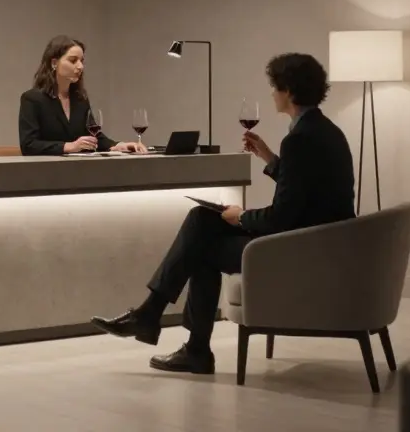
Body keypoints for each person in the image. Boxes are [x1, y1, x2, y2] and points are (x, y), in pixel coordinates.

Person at [89, 52, 355, 374]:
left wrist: (241, 216)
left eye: (274, 87)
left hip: (296, 250)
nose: (271, 93)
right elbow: (307, 193)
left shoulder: (299, 140)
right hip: (316, 242)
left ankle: (176, 335)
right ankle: (162, 325)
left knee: (201, 248)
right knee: (201, 219)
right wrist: (271, 160)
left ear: (288, 90)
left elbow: (281, 217)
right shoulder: (325, 132)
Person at [18, 35, 146, 156]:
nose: (80, 66)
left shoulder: (80, 100)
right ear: (54, 63)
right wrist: (69, 147)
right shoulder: (32, 99)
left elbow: (94, 136)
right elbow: (29, 145)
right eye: (73, 60)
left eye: (81, 61)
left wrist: (119, 145)